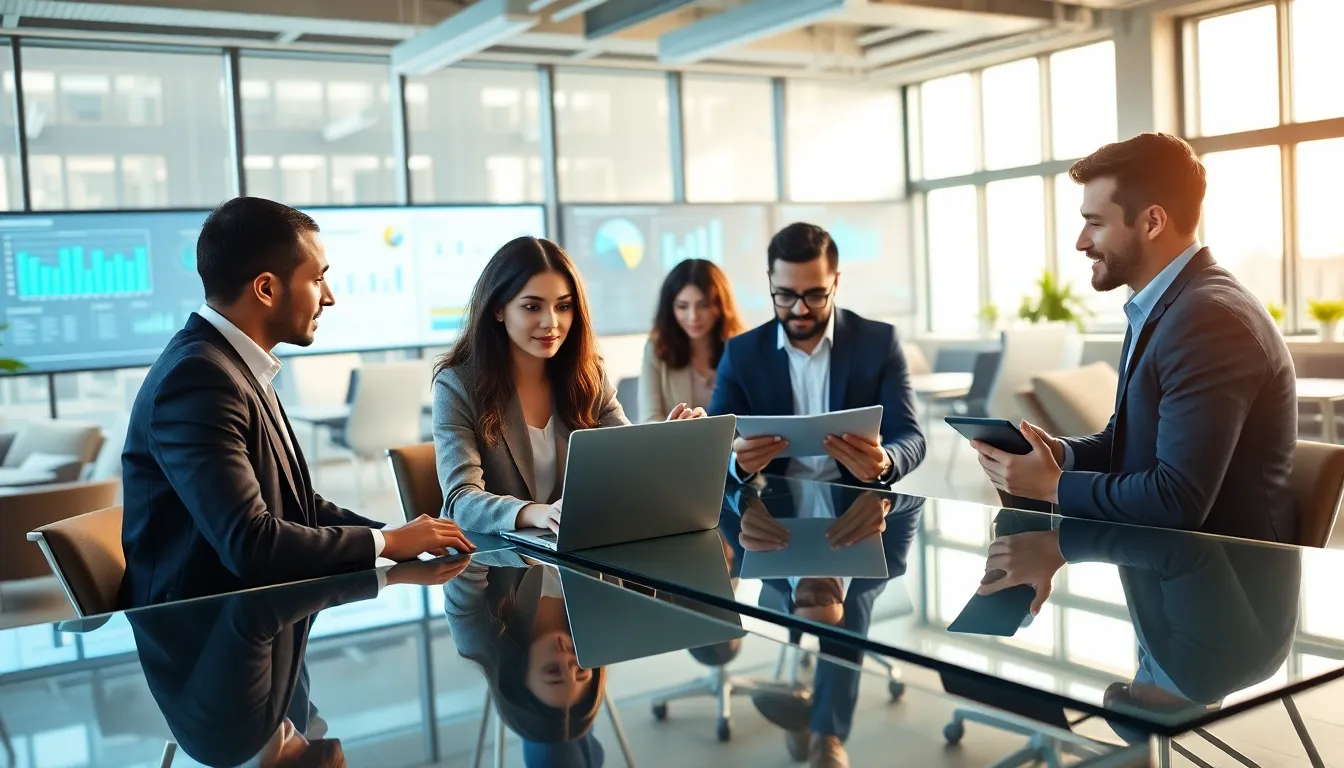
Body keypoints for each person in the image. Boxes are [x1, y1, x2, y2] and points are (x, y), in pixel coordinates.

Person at [120, 197, 475, 609]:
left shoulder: (232, 364)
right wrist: (389, 541)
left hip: (257, 617)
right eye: (318, 279)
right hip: (207, 627)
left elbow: (298, 506)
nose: (329, 297)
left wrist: (397, 537)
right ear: (266, 289)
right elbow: (251, 545)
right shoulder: (198, 378)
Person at [970, 133, 1297, 543]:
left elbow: (1177, 500)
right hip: (1166, 563)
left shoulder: (1209, 319)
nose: (1081, 242)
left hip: (1227, 573)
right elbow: (1128, 440)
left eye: (1095, 223)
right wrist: (1061, 454)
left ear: (1153, 222)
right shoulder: (1164, 305)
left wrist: (1053, 486)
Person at [434, 236, 703, 536]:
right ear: (498, 309)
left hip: (569, 550)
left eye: (563, 306)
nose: (551, 322)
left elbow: (625, 456)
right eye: (532, 307)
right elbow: (460, 499)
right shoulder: (456, 386)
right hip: (490, 557)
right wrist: (536, 513)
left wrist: (666, 443)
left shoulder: (587, 375)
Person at [721, 482, 924, 768]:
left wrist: (744, 504)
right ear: (838, 597)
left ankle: (817, 725)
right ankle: (826, 735)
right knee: (851, 619)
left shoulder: (756, 563)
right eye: (826, 597)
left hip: (775, 487)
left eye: (808, 598)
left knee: (838, 625)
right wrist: (884, 501)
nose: (816, 588)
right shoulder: (887, 562)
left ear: (794, 601)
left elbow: (721, 497)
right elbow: (915, 499)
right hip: (854, 506)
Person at [708, 222, 925, 489]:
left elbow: (910, 436)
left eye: (815, 295)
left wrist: (886, 462)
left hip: (859, 499)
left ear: (836, 282)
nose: (799, 310)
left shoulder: (879, 342)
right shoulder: (741, 353)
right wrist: (738, 464)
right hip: (769, 501)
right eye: (785, 295)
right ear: (770, 281)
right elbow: (714, 446)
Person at [639, 259, 744, 423]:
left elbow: (754, 415)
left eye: (704, 305)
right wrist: (674, 426)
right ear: (670, 309)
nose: (693, 317)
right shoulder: (656, 349)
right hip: (675, 439)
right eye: (682, 306)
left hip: (733, 440)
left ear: (720, 306)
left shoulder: (742, 348)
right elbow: (649, 419)